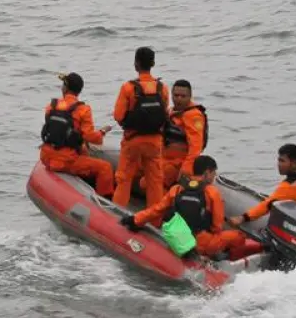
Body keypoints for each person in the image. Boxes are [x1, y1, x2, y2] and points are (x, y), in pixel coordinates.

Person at [122, 155, 261, 261]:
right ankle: (222, 260)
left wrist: (135, 220)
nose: (214, 177)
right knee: (239, 236)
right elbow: (217, 226)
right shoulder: (212, 192)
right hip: (201, 243)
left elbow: (156, 210)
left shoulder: (177, 189)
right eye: (213, 173)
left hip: (179, 238)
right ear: (207, 173)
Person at [39, 72, 115, 197]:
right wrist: (102, 132)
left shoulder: (51, 106)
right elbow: (90, 137)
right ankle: (105, 203)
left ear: (65, 88)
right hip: (66, 160)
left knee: (83, 150)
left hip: (46, 157)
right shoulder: (83, 109)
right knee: (105, 168)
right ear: (79, 91)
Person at [112, 46, 169, 207]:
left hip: (132, 141)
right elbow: (165, 113)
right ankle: (155, 219)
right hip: (155, 141)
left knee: (124, 179)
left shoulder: (128, 88)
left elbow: (118, 115)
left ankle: (117, 213)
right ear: (153, 63)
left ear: (136, 64)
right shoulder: (162, 88)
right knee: (155, 182)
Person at [159, 79, 208, 195]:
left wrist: (187, 168)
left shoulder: (193, 116)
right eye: (176, 95)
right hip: (165, 159)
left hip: (179, 163)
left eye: (183, 96)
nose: (179, 99)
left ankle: (164, 209)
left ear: (190, 96)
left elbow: (196, 145)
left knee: (153, 181)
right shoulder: (171, 111)